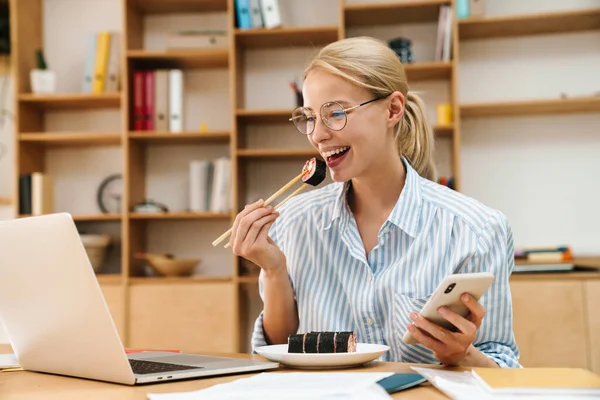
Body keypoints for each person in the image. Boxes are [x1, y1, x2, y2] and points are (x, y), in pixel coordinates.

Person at [228, 36, 520, 368]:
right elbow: (282, 355)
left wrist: (461, 354)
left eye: (335, 113)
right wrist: (274, 269)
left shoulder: (477, 230)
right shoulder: (292, 223)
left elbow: (502, 368)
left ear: (393, 109)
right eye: (309, 117)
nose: (318, 135)